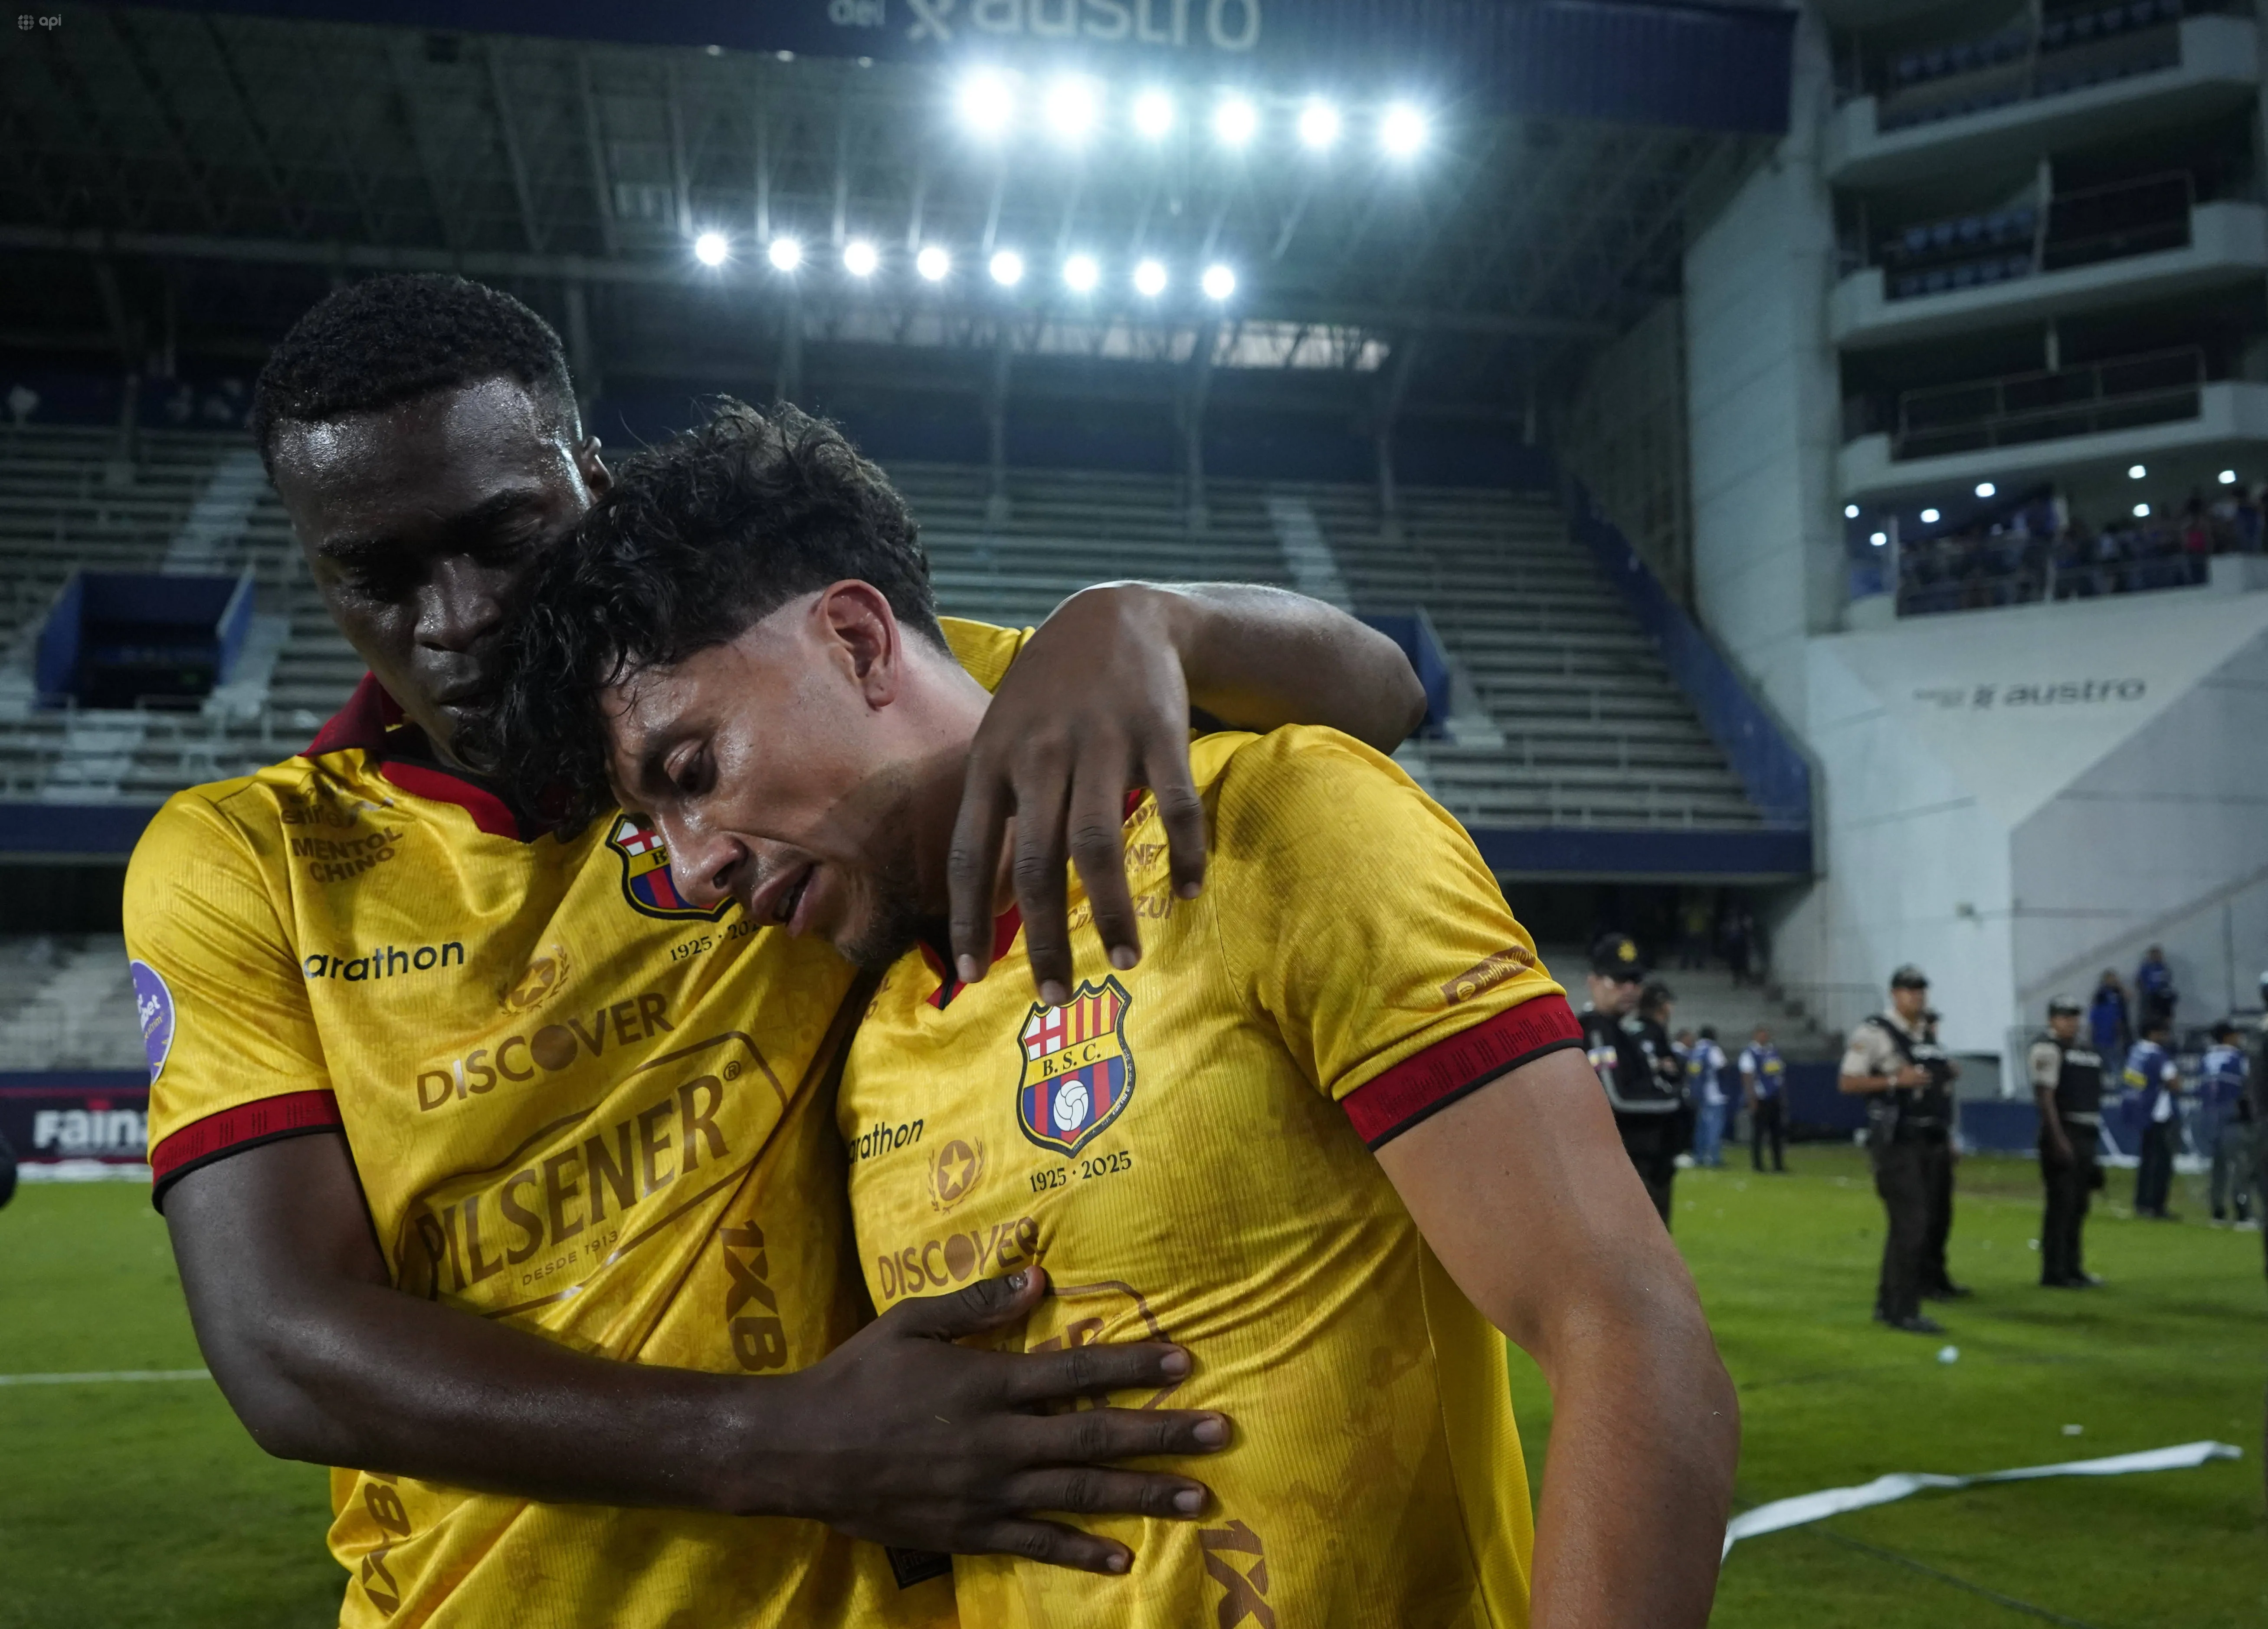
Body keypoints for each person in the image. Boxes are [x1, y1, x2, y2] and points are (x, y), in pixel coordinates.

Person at [128, 276, 1428, 1624]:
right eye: (377, 576)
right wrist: (779, 1444)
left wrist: (1149, 616)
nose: (454, 617)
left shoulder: (811, 708)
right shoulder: (251, 859)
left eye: (501, 536)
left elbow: (1378, 696)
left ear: (587, 481)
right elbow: (282, 1345)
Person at [485, 400, 1742, 1629]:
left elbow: (1628, 1335)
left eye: (693, 771)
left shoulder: (1272, 824)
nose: (691, 867)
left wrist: (1154, 614)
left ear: (859, 643)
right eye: (651, 828)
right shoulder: (867, 1046)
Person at [1839, 965, 1945, 1334]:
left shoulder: (1925, 1034)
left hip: (1925, 1137)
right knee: (1913, 1224)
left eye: (1921, 990)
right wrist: (1894, 1081)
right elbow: (1848, 1082)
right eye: (1909, 990)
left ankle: (1890, 1305)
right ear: (1894, 994)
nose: (1917, 996)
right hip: (1895, 1141)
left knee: (1911, 1225)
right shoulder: (1875, 1033)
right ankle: (1904, 1310)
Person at [1579, 935, 1687, 1225]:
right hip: (1623, 1171)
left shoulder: (1621, 1031)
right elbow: (1616, 1098)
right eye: (1619, 979)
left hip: (1643, 1167)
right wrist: (1675, 1101)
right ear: (1594, 981)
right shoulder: (1597, 1031)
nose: (1629, 989)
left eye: (1635, 981)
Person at [2031, 995, 2106, 1288]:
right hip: (2065, 1130)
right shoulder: (2047, 1048)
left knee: (2078, 1204)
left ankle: (2073, 1267)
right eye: (2065, 1017)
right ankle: (2055, 1271)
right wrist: (2058, 1139)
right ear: (2052, 1020)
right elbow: (2045, 1095)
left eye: (2074, 1016)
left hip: (2086, 1130)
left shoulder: (2084, 1050)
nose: (2071, 1022)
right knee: (2062, 1204)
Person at [1913, 1008, 1969, 1303]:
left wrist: (1950, 1138)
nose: (1933, 1028)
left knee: (1942, 1213)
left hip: (1938, 1136)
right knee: (1928, 1213)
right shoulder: (1914, 1053)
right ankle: (1924, 1279)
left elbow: (1945, 1102)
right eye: (1929, 1023)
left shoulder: (1938, 1054)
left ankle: (1937, 1274)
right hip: (1920, 1139)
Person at [2124, 1015, 2182, 1220]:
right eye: (2163, 1033)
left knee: (2147, 1160)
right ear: (2154, 1034)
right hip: (2158, 1113)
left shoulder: (2135, 1052)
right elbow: (2174, 1083)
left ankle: (2142, 1202)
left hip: (2140, 1112)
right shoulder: (2158, 1055)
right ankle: (2157, 1206)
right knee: (2162, 1162)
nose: (2166, 1037)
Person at [2198, 1020, 2253, 1226]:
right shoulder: (2238, 1058)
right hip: (2234, 1118)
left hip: (2210, 1119)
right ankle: (2243, 1214)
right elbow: (2249, 1086)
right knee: (2240, 1166)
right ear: (2228, 1037)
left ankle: (2218, 1212)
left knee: (2218, 1168)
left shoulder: (2206, 1059)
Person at [1739, 1024, 1786, 1173]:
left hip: (1774, 1096)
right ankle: (1758, 1164)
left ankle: (1778, 1164)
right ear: (1756, 1036)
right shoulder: (1750, 1053)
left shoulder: (1772, 1051)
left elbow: (1779, 1074)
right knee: (1759, 1133)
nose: (1765, 1038)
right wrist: (1751, 1098)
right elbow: (1748, 1077)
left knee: (1776, 1132)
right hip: (1760, 1097)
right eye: (1762, 1035)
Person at [1686, 1025, 1730, 1168]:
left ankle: (1699, 1156)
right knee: (1714, 1127)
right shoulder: (1712, 1049)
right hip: (1713, 1094)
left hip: (1698, 1094)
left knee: (1701, 1128)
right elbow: (1722, 1067)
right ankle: (1713, 1158)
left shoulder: (1694, 1050)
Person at [2088, 969, 2130, 1061]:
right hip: (2106, 1027)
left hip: (2121, 1023)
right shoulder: (2101, 994)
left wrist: (2119, 986)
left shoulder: (2118, 991)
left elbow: (2128, 997)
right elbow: (2095, 1008)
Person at [2134, 945, 2177, 1030]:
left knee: (2166, 1014)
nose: (2157, 957)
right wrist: (2145, 991)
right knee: (2152, 1017)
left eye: (2159, 955)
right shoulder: (2146, 968)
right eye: (2155, 955)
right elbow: (2139, 981)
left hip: (2163, 996)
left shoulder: (2164, 967)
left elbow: (2168, 981)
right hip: (2151, 996)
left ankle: (2166, 1030)